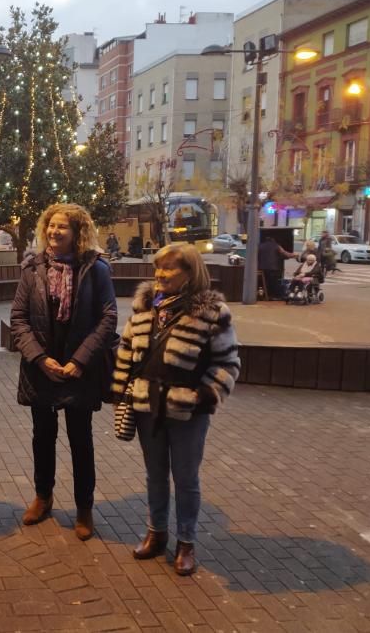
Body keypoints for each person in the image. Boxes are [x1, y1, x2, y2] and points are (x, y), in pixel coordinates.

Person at [111, 243, 240, 576]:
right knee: (154, 475)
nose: (160, 274)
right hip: (146, 405)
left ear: (190, 273)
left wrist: (203, 396)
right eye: (158, 267)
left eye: (169, 268)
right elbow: (126, 349)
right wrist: (120, 391)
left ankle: (186, 542)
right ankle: (156, 533)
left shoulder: (212, 311)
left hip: (187, 411)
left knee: (185, 478)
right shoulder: (144, 307)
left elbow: (228, 363)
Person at [10, 203, 118, 540]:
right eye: (51, 226)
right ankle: (43, 497)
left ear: (78, 233)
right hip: (42, 367)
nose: (55, 233)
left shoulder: (96, 269)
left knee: (80, 440)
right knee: (42, 438)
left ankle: (84, 508)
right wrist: (40, 358)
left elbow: (108, 317)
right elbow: (19, 318)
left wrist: (80, 360)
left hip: (78, 370)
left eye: (62, 228)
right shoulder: (32, 268)